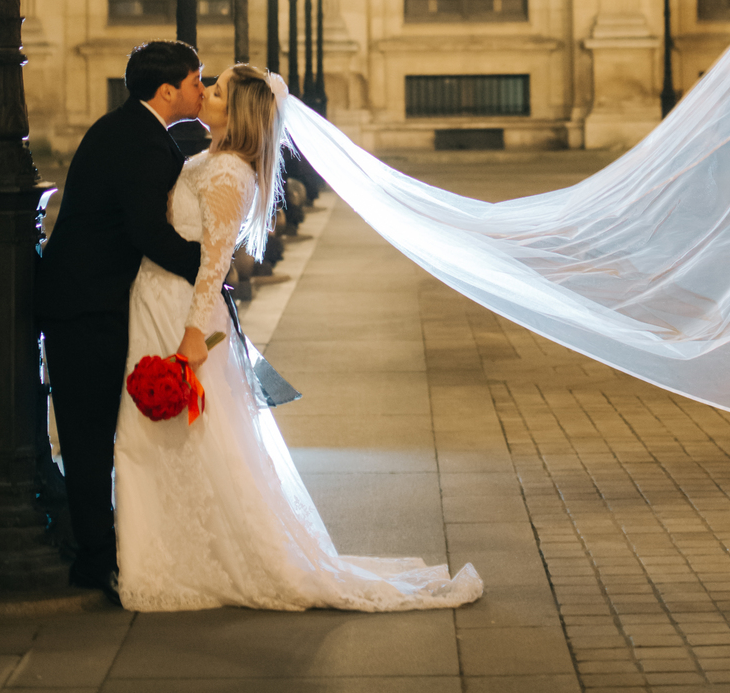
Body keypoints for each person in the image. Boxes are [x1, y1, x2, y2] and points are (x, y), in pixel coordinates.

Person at [114, 62, 482, 613]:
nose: (207, 95)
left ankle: (190, 556)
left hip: (182, 316)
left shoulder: (228, 174)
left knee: (183, 437)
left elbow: (214, 263)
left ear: (237, 113)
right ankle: (168, 546)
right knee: (165, 440)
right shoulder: (210, 159)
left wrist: (192, 336)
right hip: (157, 304)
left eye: (216, 92)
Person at [37, 39, 207, 601]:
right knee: (87, 438)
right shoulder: (142, 144)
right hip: (86, 307)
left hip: (89, 300)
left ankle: (98, 546)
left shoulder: (126, 129)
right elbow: (148, 234)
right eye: (194, 81)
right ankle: (92, 560)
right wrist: (209, 271)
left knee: (92, 436)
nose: (200, 91)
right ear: (168, 90)